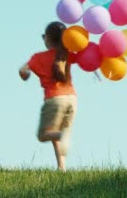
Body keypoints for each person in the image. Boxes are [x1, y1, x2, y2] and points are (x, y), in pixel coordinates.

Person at [19, 21, 77, 171]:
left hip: (55, 100)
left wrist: (25, 74)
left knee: (44, 135)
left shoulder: (38, 58)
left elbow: (23, 70)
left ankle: (62, 135)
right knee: (55, 135)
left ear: (48, 39)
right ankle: (62, 168)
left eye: (44, 36)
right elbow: (85, 58)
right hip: (72, 99)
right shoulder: (67, 54)